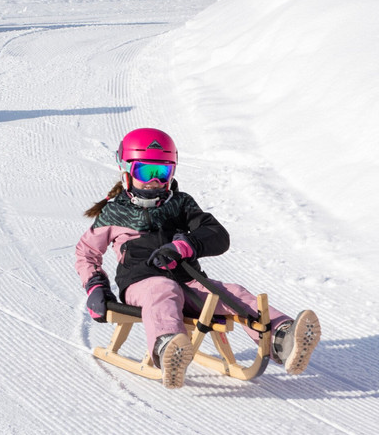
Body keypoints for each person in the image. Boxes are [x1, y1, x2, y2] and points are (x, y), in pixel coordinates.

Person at [75, 127, 321, 389]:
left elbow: (217, 235)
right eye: (145, 172)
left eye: (163, 172)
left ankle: (283, 338)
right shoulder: (114, 213)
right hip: (141, 284)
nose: (154, 181)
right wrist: (95, 286)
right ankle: (168, 347)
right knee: (163, 288)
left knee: (231, 293)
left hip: (187, 282)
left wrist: (184, 246)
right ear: (125, 171)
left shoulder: (180, 203)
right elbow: (86, 253)